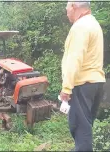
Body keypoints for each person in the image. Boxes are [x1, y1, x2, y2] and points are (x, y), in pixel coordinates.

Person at [60, 1, 106, 151]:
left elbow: (75, 58)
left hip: (82, 84)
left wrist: (66, 87)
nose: (66, 12)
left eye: (67, 8)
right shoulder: (93, 23)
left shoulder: (80, 27)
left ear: (74, 7)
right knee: (84, 129)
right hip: (95, 83)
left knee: (80, 130)